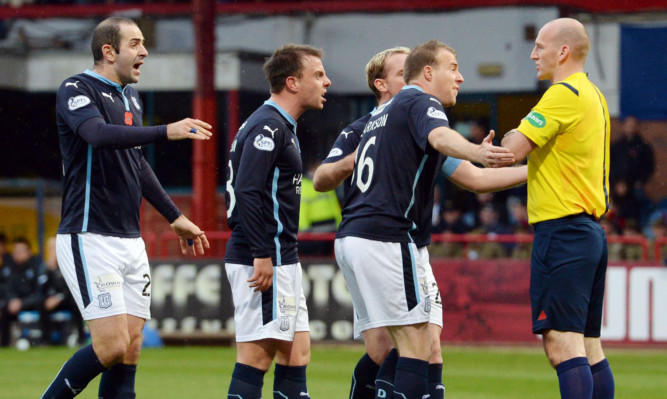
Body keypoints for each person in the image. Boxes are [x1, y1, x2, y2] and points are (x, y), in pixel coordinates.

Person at [315, 46, 525, 399]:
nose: (460, 77)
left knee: (405, 348)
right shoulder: (416, 104)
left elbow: (472, 178)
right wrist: (477, 149)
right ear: (421, 75)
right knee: (416, 346)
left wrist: (534, 172)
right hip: (389, 237)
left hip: (362, 236)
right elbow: (442, 138)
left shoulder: (391, 119)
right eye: (453, 68)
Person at [41, 17, 211, 399]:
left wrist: (176, 217)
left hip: (129, 240)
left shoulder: (129, 97)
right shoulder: (76, 88)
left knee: (131, 346)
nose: (144, 52)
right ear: (108, 51)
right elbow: (97, 135)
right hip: (89, 236)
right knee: (111, 345)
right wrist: (165, 130)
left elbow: (137, 163)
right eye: (135, 44)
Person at [501, 18, 615, 399]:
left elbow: (511, 149)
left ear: (562, 51)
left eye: (539, 47)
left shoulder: (561, 94)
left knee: (562, 345)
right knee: (588, 345)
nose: (533, 55)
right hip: (589, 233)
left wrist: (506, 136)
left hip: (563, 232)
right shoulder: (594, 95)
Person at [224, 43, 331, 399]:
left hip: (282, 257)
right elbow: (247, 191)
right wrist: (261, 253)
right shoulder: (268, 127)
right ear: (292, 83)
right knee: (257, 357)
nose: (327, 82)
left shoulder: (281, 126)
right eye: (317, 75)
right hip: (263, 258)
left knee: (296, 354)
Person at [39, 237, 86, 345]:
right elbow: (41, 289)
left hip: (66, 299)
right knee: (41, 303)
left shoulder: (68, 265)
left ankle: (81, 338)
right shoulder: (44, 268)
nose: (53, 251)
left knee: (77, 304)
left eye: (55, 248)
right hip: (50, 300)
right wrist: (50, 271)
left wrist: (59, 298)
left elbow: (71, 288)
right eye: (51, 249)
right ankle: (45, 340)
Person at [0, 237, 43, 347]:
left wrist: (22, 303)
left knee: (44, 303)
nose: (17, 254)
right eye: (15, 251)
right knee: (4, 308)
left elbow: (39, 292)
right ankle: (4, 344)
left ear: (28, 252)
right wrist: (12, 300)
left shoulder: (37, 267)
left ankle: (45, 341)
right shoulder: (8, 268)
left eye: (20, 251)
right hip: (13, 305)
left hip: (31, 303)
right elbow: (6, 289)